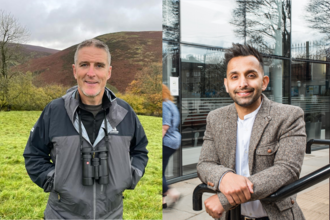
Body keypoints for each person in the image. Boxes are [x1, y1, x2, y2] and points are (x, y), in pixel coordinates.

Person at [23, 39, 148, 220]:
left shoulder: (125, 112)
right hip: (62, 215)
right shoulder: (54, 110)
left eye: (99, 65)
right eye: (84, 65)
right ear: (75, 70)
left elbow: (140, 150)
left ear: (108, 72)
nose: (91, 73)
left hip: (112, 215)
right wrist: (55, 180)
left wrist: (130, 176)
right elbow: (34, 154)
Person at [197, 43, 306, 220]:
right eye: (234, 77)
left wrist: (225, 199)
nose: (243, 83)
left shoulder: (289, 116)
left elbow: (287, 170)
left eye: (251, 75)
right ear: (226, 84)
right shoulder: (215, 118)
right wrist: (224, 176)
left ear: (264, 82)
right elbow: (205, 164)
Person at [162, 84, 181, 208]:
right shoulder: (170, 104)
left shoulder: (164, 105)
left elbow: (165, 126)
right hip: (173, 141)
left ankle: (172, 192)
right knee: (162, 171)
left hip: (167, 142)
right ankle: (162, 201)